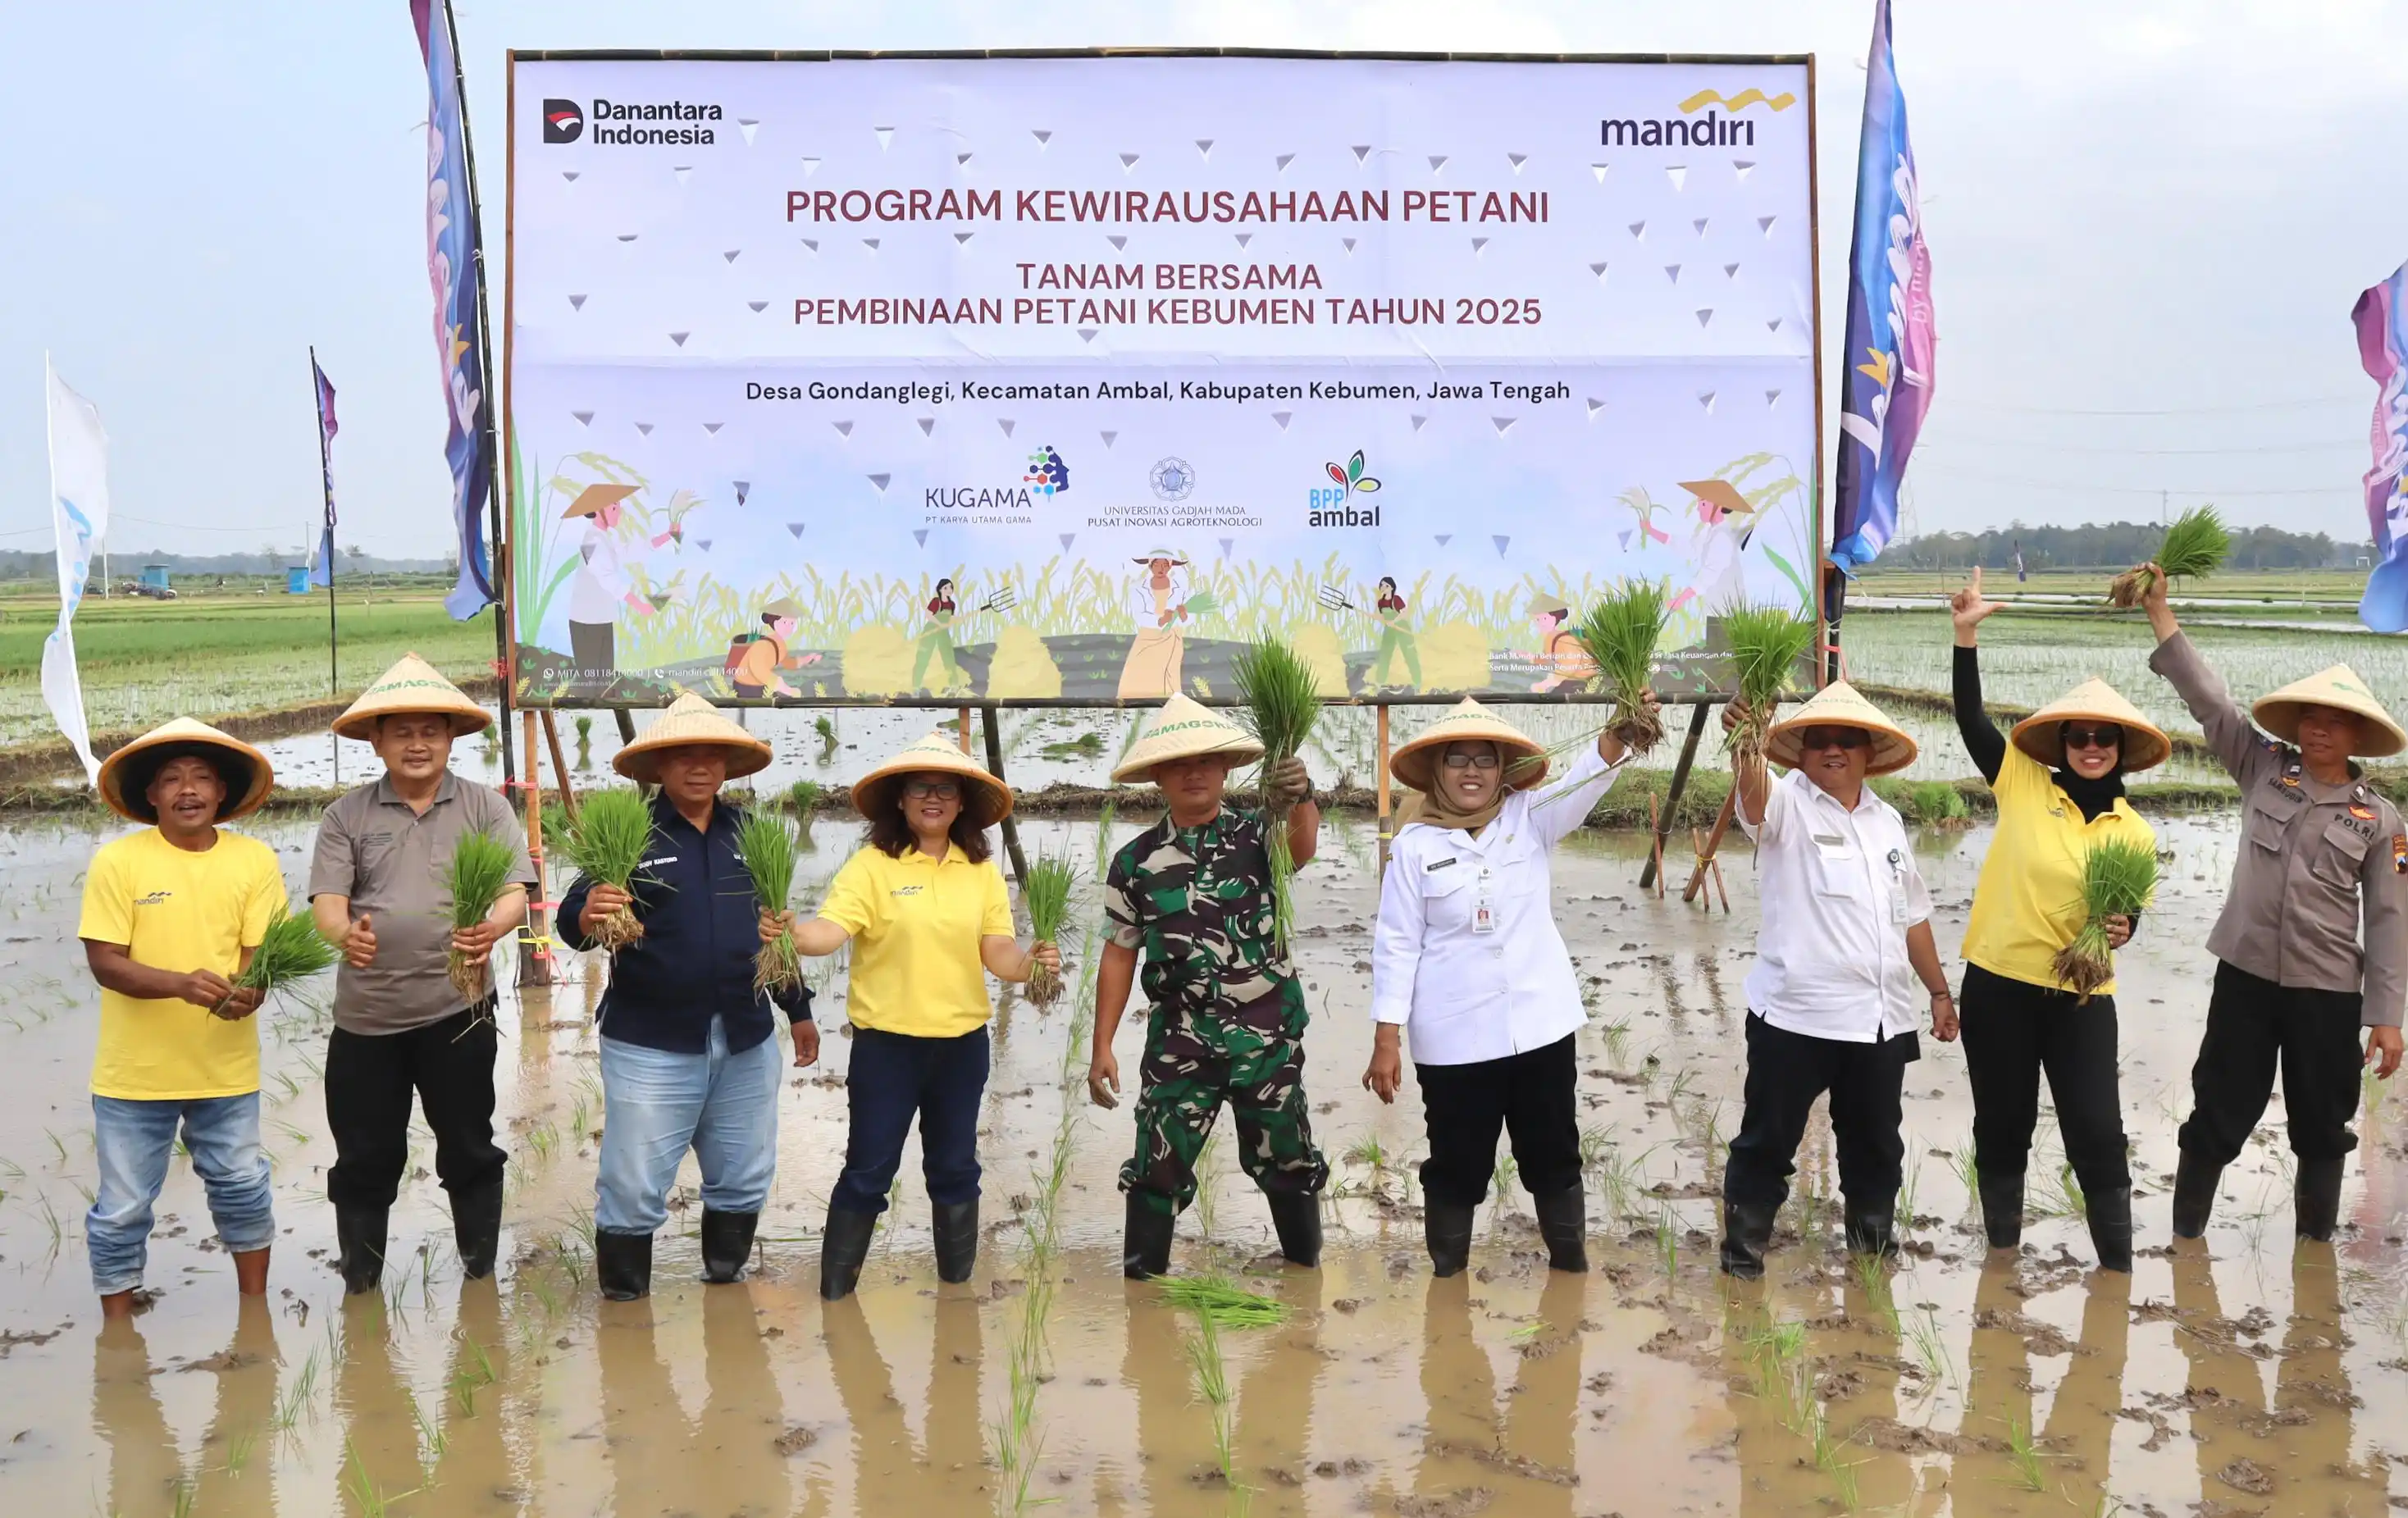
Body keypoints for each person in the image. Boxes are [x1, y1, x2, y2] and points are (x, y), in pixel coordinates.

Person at [2137, 565, 2407, 1242]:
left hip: (2326, 991)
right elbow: (2211, 703)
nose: (2319, 729)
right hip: (2247, 978)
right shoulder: (2264, 767)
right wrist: (2160, 615)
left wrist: (2387, 1016)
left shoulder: (2381, 820)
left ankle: (2313, 1265)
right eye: (2310, 718)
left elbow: (2389, 916)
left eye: (2336, 722)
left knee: (2322, 1127)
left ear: (2356, 736)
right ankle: (2185, 1244)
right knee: (2218, 1110)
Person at [1362, 696, 1648, 1275]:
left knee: (1553, 1155)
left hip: (1540, 1028)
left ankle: (1570, 1268)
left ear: (1502, 770)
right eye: (1458, 760)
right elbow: (1396, 943)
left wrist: (1621, 733)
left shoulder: (1530, 817)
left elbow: (1585, 780)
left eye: (1485, 760)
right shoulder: (1415, 846)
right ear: (1438, 772)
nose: (1472, 771)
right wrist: (1386, 1037)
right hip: (1455, 1039)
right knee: (1457, 1165)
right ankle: (1448, 1284)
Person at [770, 731, 1056, 1300]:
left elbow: (996, 949)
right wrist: (792, 932)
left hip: (961, 1046)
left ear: (961, 804)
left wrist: (1029, 964)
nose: (933, 797)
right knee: (869, 1172)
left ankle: (957, 1297)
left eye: (945, 789)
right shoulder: (872, 866)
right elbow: (831, 931)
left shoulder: (978, 871)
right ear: (900, 799)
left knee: (954, 1170)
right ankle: (835, 1298)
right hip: (887, 1049)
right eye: (920, 788)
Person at [559, 693, 816, 1301]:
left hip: (746, 1035)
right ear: (659, 767)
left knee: (744, 1173)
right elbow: (573, 919)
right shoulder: (630, 833)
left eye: (712, 755)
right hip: (651, 1040)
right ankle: (625, 1314)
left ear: (727, 765)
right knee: (632, 1182)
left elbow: (774, 933)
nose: (699, 766)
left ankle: (724, 1293)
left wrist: (798, 1009)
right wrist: (590, 912)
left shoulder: (749, 835)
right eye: (683, 755)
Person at [1948, 570, 2168, 1272]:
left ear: (2122, 748)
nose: (2092, 745)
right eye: (2081, 735)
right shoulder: (2021, 782)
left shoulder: (2133, 831)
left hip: (2082, 998)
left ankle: (2118, 1273)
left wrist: (2124, 926)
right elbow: (1971, 719)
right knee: (2003, 1126)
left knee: (2097, 1132)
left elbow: (2127, 915)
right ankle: (2001, 1258)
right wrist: (1966, 636)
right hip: (1999, 985)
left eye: (2105, 737)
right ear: (2063, 740)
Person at [308, 654, 535, 1294]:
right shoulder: (345, 816)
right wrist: (342, 933)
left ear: (451, 738)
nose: (416, 744)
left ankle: (479, 1271)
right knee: (366, 1155)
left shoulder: (485, 807)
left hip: (458, 1012)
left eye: (430, 731)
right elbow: (329, 903)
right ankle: (362, 1281)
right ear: (376, 740)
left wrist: (494, 925)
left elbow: (515, 889)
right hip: (367, 1019)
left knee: (468, 1145)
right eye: (401, 731)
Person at [1718, 682, 1958, 1279]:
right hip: (1796, 1018)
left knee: (1876, 1147)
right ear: (1798, 752)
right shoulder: (1786, 807)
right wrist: (1745, 743)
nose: (1833, 750)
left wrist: (1938, 990)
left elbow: (1913, 915)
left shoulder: (1889, 822)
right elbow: (1751, 796)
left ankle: (1871, 1259)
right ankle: (1742, 1259)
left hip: (1878, 1022)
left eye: (1846, 740)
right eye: (1819, 740)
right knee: (1767, 1143)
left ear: (1868, 752)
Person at [1086, 695, 1326, 1279]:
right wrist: (1101, 1046)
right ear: (1159, 777)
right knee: (1155, 1171)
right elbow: (1120, 952)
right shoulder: (1135, 862)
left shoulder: (1256, 837)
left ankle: (1305, 1282)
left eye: (1206, 761)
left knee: (1288, 1160)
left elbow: (1302, 845)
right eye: (1178, 763)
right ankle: (1142, 1293)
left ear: (1224, 771)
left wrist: (1301, 794)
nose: (1193, 772)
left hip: (1266, 1042)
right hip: (1180, 1046)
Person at [79, 719, 285, 1318]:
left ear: (222, 791)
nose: (187, 789)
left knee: (243, 1188)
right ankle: (117, 1331)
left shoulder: (254, 861)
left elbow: (258, 965)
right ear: (151, 795)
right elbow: (105, 964)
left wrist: (250, 993)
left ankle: (256, 1315)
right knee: (122, 1206)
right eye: (171, 778)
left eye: (200, 778)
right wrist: (182, 985)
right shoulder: (118, 863)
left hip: (226, 1070)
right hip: (133, 1076)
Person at [563, 481, 675, 676]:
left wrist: (667, 536)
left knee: (604, 680)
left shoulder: (605, 538)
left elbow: (629, 550)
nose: (619, 512)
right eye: (614, 507)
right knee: (592, 682)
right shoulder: (591, 542)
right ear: (598, 512)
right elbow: (608, 579)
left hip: (601, 619)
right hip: (587, 622)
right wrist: (639, 605)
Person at [1117, 549, 1193, 699]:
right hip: (1148, 637)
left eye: (1165, 565)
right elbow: (1139, 615)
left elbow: (1190, 617)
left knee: (1169, 673)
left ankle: (1170, 705)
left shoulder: (1181, 589)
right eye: (1157, 565)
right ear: (1150, 565)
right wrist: (1161, 620)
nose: (1161, 569)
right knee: (1138, 669)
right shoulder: (1137, 588)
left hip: (1172, 637)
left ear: (1171, 566)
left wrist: (1184, 615)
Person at [729, 596, 819, 700]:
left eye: (792, 623)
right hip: (746, 687)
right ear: (774, 623)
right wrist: (782, 686)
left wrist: (807, 659)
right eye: (784, 622)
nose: (789, 627)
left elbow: (788, 663)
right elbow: (758, 669)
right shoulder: (763, 645)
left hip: (762, 685)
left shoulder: (780, 644)